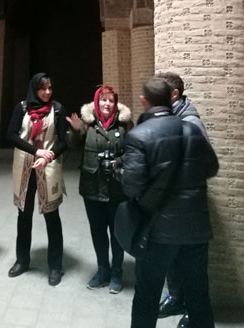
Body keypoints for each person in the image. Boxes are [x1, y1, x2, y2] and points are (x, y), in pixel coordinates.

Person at [122, 77, 218, 328]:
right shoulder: (191, 129)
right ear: (170, 98)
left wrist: (123, 173)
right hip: (195, 228)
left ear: (145, 100)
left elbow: (131, 186)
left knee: (147, 295)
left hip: (157, 231)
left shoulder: (139, 135)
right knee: (198, 295)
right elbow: (211, 168)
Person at [67, 85, 131, 294]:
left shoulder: (125, 125)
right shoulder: (87, 124)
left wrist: (118, 162)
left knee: (117, 233)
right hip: (92, 188)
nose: (107, 104)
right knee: (98, 232)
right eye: (103, 100)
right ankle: (103, 270)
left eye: (111, 100)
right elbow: (73, 145)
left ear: (115, 103)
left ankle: (117, 272)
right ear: (96, 102)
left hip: (117, 188)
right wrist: (75, 131)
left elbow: (133, 151)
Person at [156, 72, 208, 328]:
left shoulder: (191, 123)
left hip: (187, 208)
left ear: (174, 94)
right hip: (169, 207)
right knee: (172, 258)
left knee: (191, 265)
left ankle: (195, 314)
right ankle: (176, 298)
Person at [7, 72, 67, 286]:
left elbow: (63, 141)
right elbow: (11, 135)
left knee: (52, 217)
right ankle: (22, 260)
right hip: (25, 169)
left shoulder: (57, 109)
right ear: (34, 89)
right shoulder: (22, 108)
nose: (47, 92)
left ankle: (55, 266)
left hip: (48, 168)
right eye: (42, 88)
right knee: (24, 215)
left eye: (50, 88)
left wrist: (47, 156)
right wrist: (35, 151)